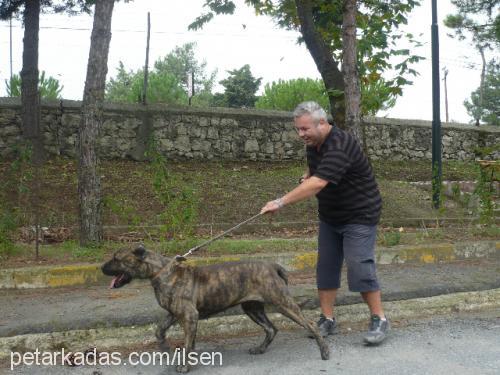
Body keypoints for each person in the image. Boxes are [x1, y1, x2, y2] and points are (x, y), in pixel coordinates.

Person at [260, 101, 388, 345]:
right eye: (298, 129)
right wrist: (308, 174)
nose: (300, 134)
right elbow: (315, 171)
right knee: (326, 267)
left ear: (322, 123)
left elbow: (319, 183)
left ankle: (379, 318)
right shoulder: (313, 143)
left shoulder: (341, 144)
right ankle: (327, 319)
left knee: (359, 265)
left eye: (304, 129)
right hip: (331, 215)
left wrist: (280, 202)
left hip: (360, 214)